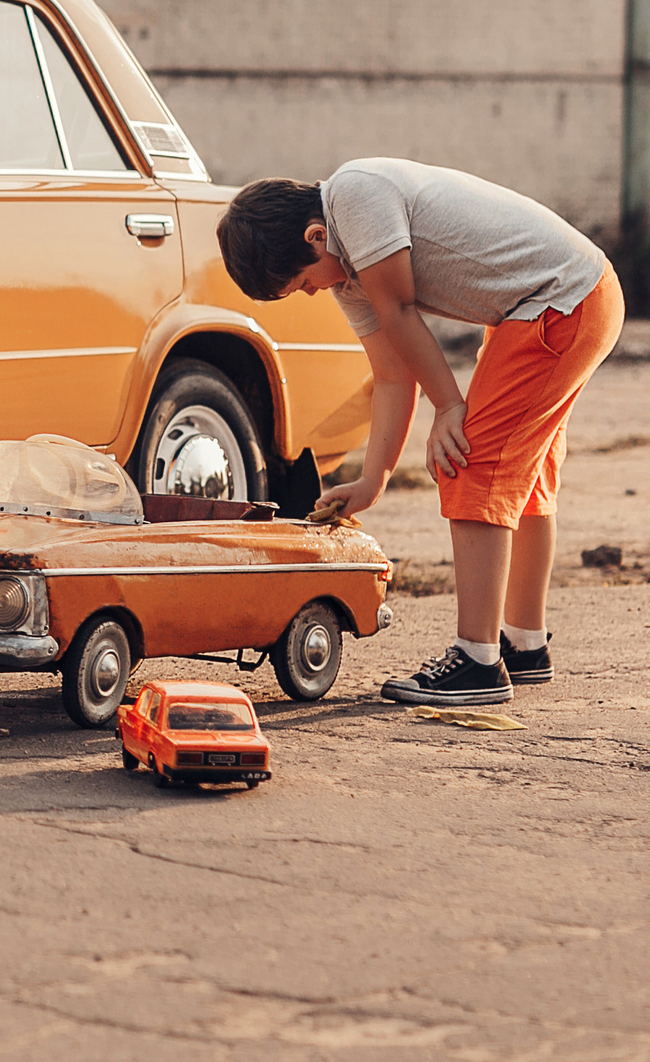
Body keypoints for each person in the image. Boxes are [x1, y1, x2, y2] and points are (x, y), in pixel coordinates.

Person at [218, 159, 625, 708]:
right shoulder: (347, 270)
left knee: (471, 460)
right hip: (562, 301)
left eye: (303, 283)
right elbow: (392, 375)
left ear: (315, 238)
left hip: (562, 300)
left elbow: (402, 310)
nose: (312, 293)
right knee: (522, 477)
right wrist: (373, 480)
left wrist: (450, 407)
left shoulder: (355, 198)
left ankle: (478, 662)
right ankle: (524, 646)